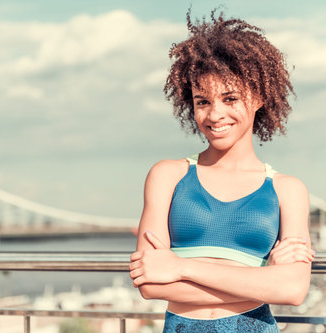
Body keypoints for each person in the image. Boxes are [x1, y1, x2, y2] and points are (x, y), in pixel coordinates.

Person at [129, 9, 314, 333]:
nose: (215, 114)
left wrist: (179, 267)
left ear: (257, 97)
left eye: (230, 98)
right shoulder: (167, 176)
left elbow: (293, 290)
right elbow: (151, 284)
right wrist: (263, 279)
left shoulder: (289, 190)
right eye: (203, 102)